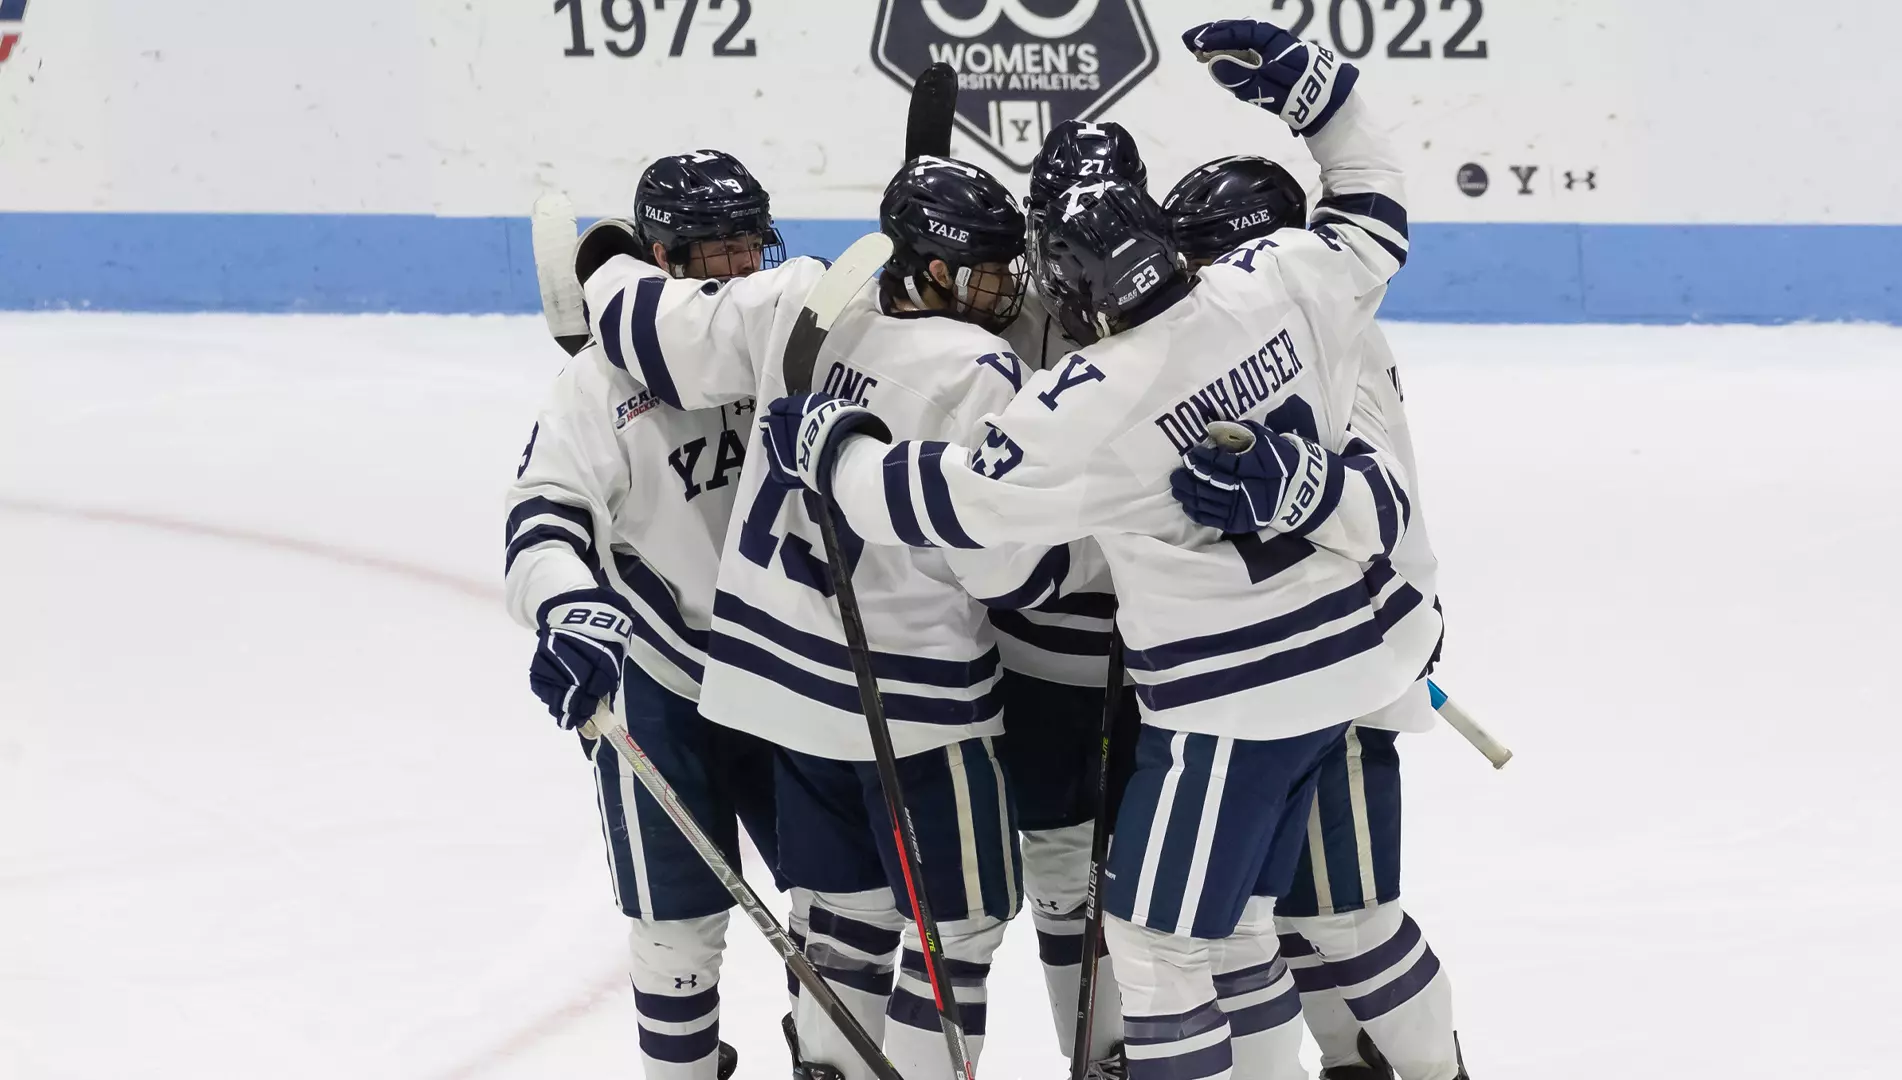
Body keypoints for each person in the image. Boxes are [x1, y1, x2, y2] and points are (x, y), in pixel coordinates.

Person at [759, 19, 1439, 1080]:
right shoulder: (1277, 276)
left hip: (1237, 694)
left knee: (1169, 952)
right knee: (1238, 929)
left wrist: (836, 450)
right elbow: (1373, 200)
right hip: (1351, 651)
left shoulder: (1101, 402)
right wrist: (1322, 91)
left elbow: (949, 500)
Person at [577, 153, 1067, 1080]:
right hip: (914, 703)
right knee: (954, 928)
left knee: (843, 919)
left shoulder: (793, 305)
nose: (1006, 290)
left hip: (779, 697)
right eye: (989, 271)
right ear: (933, 271)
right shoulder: (979, 368)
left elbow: (646, 326)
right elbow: (1014, 573)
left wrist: (603, 260)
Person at [1165, 154, 1466, 1080]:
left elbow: (1375, 513)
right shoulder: (1279, 334)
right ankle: (1350, 1063)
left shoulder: (1341, 345)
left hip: (1341, 654)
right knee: (1279, 914)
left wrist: (1276, 491)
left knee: (1346, 917)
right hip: (1289, 658)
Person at [504, 149, 793, 1080]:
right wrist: (568, 605)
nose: (732, 272)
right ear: (660, 258)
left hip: (798, 669)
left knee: (843, 910)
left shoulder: (786, 337)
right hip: (663, 678)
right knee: (675, 936)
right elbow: (543, 516)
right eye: (709, 255)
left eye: (745, 249)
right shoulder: (596, 386)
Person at [987, 118, 1156, 1076]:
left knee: (1164, 885)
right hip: (1034, 654)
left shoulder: (1179, 304)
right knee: (1059, 870)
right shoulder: (999, 319)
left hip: (1159, 649)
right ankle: (1096, 1058)